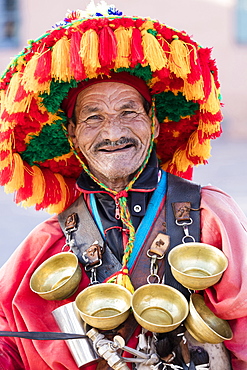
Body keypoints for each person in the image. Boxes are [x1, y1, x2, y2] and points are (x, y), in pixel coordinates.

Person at [0, 2, 246, 369]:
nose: (113, 132)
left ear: (155, 124)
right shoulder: (47, 244)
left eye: (128, 111)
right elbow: (10, 345)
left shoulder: (209, 217)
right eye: (93, 117)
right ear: (73, 136)